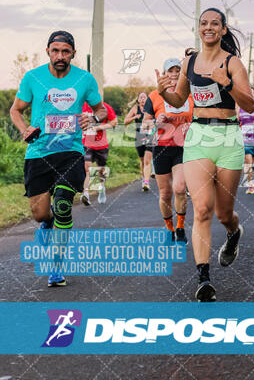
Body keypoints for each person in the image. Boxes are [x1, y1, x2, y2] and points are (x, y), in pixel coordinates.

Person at [156, 8, 254, 302]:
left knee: (224, 213)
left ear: (223, 30)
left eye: (214, 24)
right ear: (198, 29)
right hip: (198, 135)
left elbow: (248, 104)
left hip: (227, 136)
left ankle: (234, 232)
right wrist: (164, 92)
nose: (208, 28)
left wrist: (227, 83)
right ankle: (203, 278)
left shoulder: (232, 62)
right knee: (202, 210)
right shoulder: (190, 62)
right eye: (203, 23)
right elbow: (179, 98)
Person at [9, 31, 106, 287]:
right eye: (55, 51)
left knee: (63, 204)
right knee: (41, 214)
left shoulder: (84, 79)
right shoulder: (33, 78)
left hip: (70, 152)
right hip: (39, 152)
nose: (60, 56)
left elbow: (101, 109)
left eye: (65, 51)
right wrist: (23, 130)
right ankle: (46, 225)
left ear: (73, 53)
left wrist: (94, 118)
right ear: (48, 51)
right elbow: (16, 110)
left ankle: (56, 267)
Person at [144, 58, 194, 243]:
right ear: (164, 74)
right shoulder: (155, 96)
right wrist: (156, 122)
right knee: (165, 194)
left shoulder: (190, 94)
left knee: (180, 188)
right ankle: (169, 229)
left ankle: (180, 227)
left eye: (177, 71)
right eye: (170, 71)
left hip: (184, 147)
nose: (174, 74)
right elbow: (145, 122)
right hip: (162, 147)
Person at [81, 100, 117, 205]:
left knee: (101, 170)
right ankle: (86, 194)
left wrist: (100, 127)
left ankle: (101, 188)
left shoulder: (104, 106)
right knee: (87, 168)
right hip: (86, 143)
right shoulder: (81, 106)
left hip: (101, 144)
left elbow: (114, 122)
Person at [124, 92, 153, 191]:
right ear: (138, 100)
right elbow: (125, 121)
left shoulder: (151, 107)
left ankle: (146, 182)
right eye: (140, 97)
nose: (142, 99)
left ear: (147, 99)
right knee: (142, 160)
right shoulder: (135, 109)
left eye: (144, 97)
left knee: (147, 160)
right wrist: (134, 117)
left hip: (149, 136)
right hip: (139, 136)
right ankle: (143, 178)